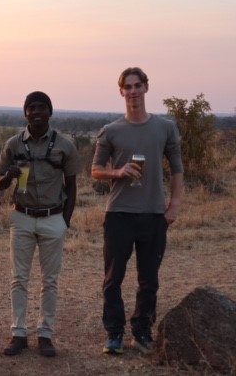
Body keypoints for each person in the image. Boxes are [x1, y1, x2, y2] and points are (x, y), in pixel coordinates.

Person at [92, 67, 184, 355]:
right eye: (127, 87)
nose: (132, 91)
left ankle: (142, 330)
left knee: (149, 279)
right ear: (121, 92)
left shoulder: (165, 128)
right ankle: (114, 333)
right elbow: (95, 171)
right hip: (119, 214)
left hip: (154, 215)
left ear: (146, 88)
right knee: (113, 278)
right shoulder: (111, 131)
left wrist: (173, 206)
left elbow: (177, 170)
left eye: (137, 85)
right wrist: (117, 172)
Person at [0, 91, 80, 358]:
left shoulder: (64, 145)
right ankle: (18, 333)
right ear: (25, 114)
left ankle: (45, 334)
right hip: (21, 216)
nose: (36, 113)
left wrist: (64, 221)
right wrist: (7, 177)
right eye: (31, 108)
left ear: (50, 112)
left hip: (53, 218)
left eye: (41, 108)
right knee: (18, 278)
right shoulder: (13, 144)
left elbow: (72, 187)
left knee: (50, 280)